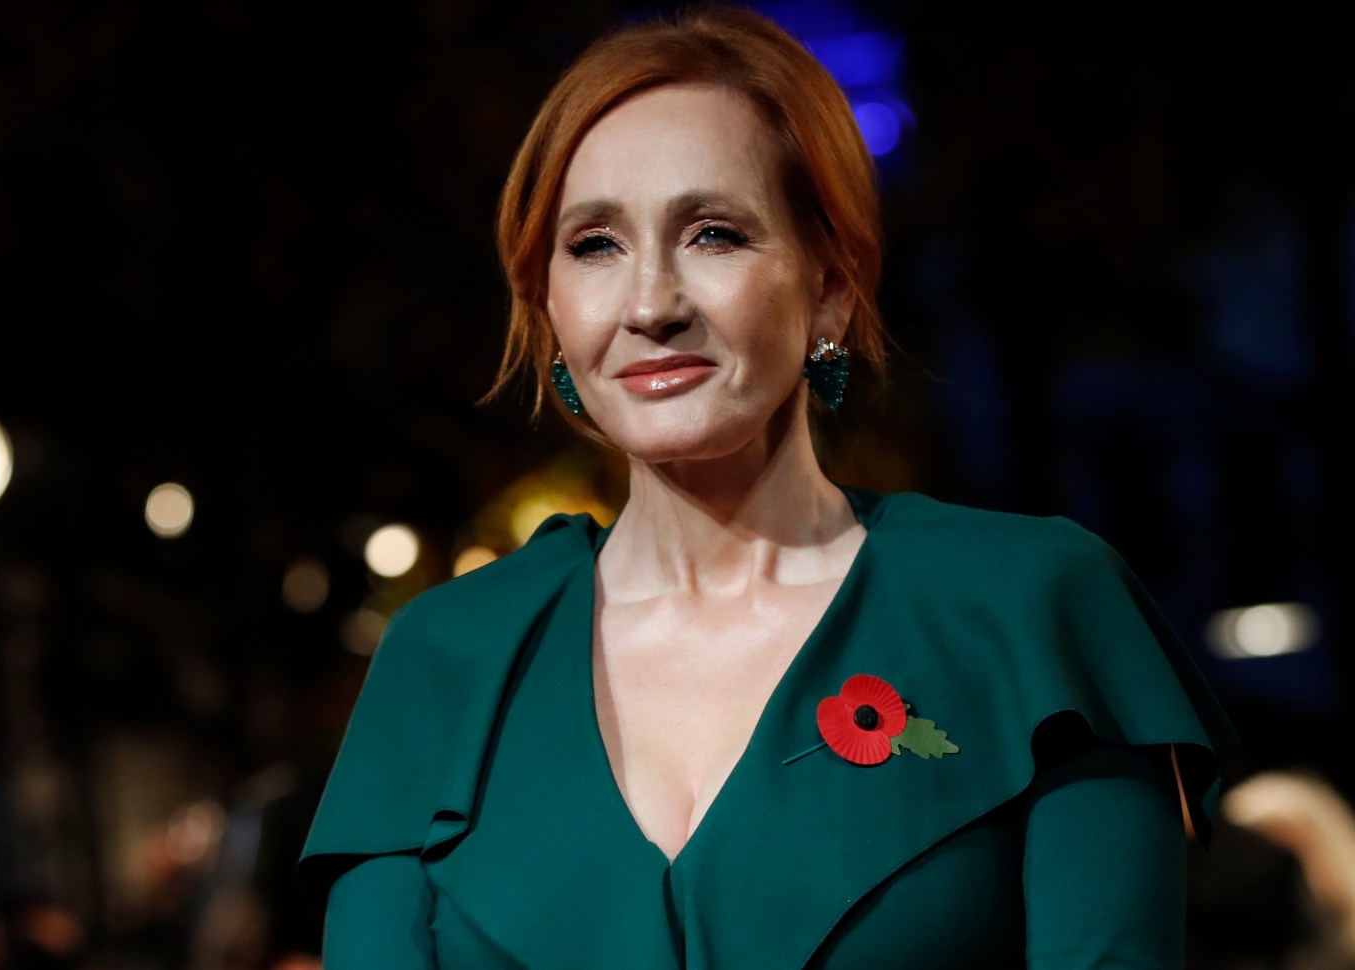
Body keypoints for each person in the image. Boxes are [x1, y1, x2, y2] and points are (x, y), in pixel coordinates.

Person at [302, 7, 1237, 967]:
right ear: (547, 304)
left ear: (830, 286)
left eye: (713, 234)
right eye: (594, 244)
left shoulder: (1028, 610)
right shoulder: (443, 659)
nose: (650, 303)